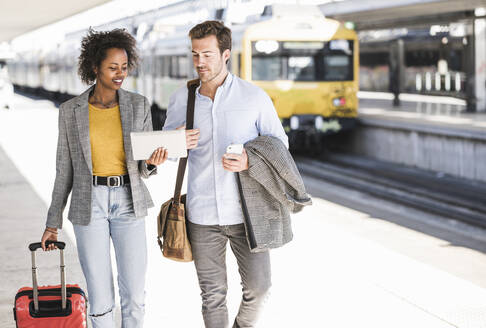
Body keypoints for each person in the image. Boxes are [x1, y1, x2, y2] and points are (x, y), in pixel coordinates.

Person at [163, 20, 289, 328]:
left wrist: (249, 160)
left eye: (207, 54)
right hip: (202, 214)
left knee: (260, 289)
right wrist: (175, 141)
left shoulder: (253, 97)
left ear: (226, 54)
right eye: (195, 54)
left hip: (247, 215)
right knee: (212, 295)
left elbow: (281, 146)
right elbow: (164, 147)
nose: (200, 62)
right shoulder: (183, 98)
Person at [40, 28, 167, 328]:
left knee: (134, 294)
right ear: (95, 67)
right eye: (113, 67)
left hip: (129, 200)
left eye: (124, 67)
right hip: (89, 204)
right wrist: (52, 223)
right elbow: (64, 170)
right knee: (99, 297)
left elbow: (144, 166)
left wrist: (151, 162)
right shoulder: (71, 111)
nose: (120, 73)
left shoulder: (138, 105)